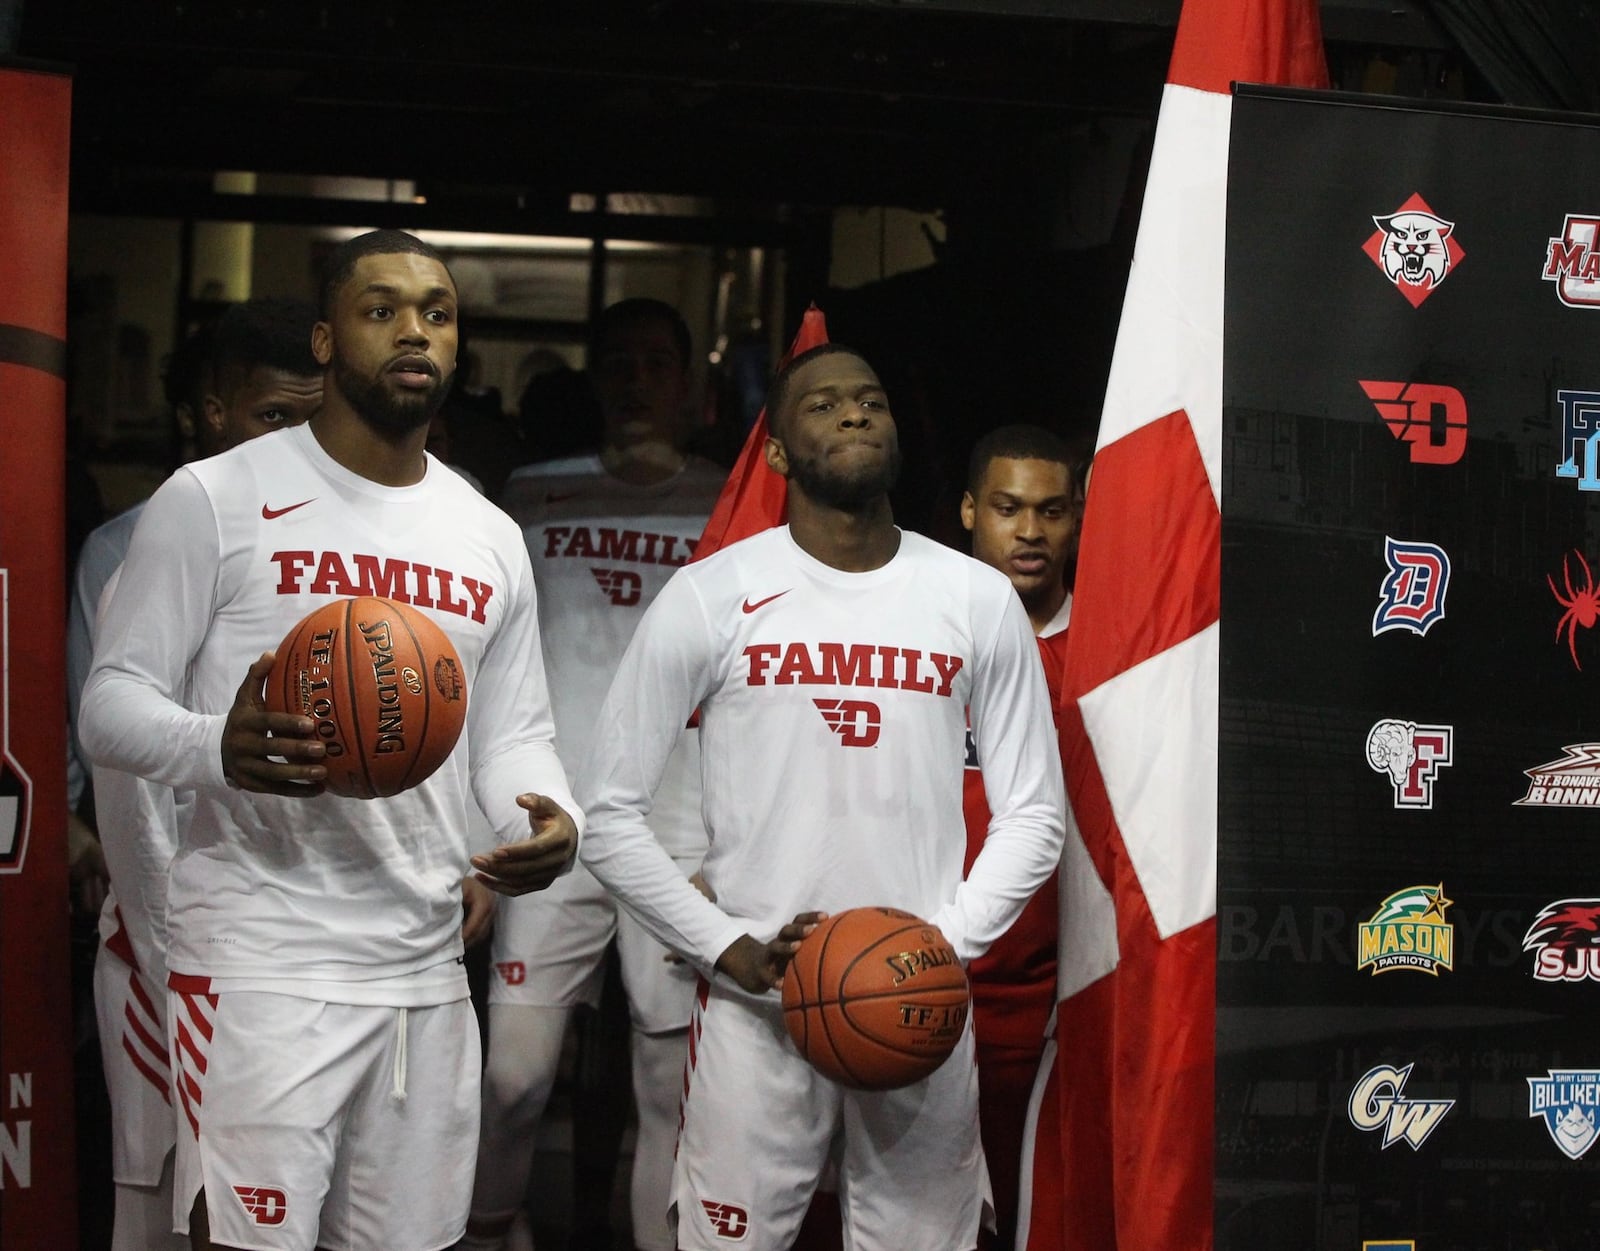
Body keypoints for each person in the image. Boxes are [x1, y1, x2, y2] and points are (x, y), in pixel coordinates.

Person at [80, 229, 581, 1251]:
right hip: (263, 968)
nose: (415, 331)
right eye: (381, 308)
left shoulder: (484, 532)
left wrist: (545, 816)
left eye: (436, 313)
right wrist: (214, 744)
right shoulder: (216, 498)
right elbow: (109, 706)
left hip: (424, 971)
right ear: (324, 339)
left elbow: (515, 736)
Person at [576, 344, 1067, 1251]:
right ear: (774, 451)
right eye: (824, 405)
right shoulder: (712, 595)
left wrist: (935, 949)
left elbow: (1036, 814)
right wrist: (728, 948)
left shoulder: (976, 597)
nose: (853, 415)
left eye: (871, 401)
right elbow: (605, 814)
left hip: (922, 1014)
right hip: (755, 1014)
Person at [465, 298, 724, 1251]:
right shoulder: (528, 494)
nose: (637, 380)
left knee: (668, 1086)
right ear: (594, 379)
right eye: (619, 362)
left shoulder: (732, 504)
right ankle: (490, 1231)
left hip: (680, 831)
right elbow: (485, 661)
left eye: (659, 362)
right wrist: (472, 829)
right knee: (514, 1077)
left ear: (692, 385)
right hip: (549, 825)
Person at [70, 298, 326, 1251]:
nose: (295, 444)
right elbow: (124, 782)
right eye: (273, 417)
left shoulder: (330, 551)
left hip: (288, 949)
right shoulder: (135, 548)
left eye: (313, 417)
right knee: (161, 1209)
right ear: (212, 411)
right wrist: (178, 958)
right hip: (168, 945)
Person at [958, 424, 1080, 1251]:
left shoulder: (1113, 653)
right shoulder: (913, 632)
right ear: (970, 509)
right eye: (1007, 508)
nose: (1029, 532)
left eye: (1050, 511)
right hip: (902, 973)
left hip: (1043, 1004)